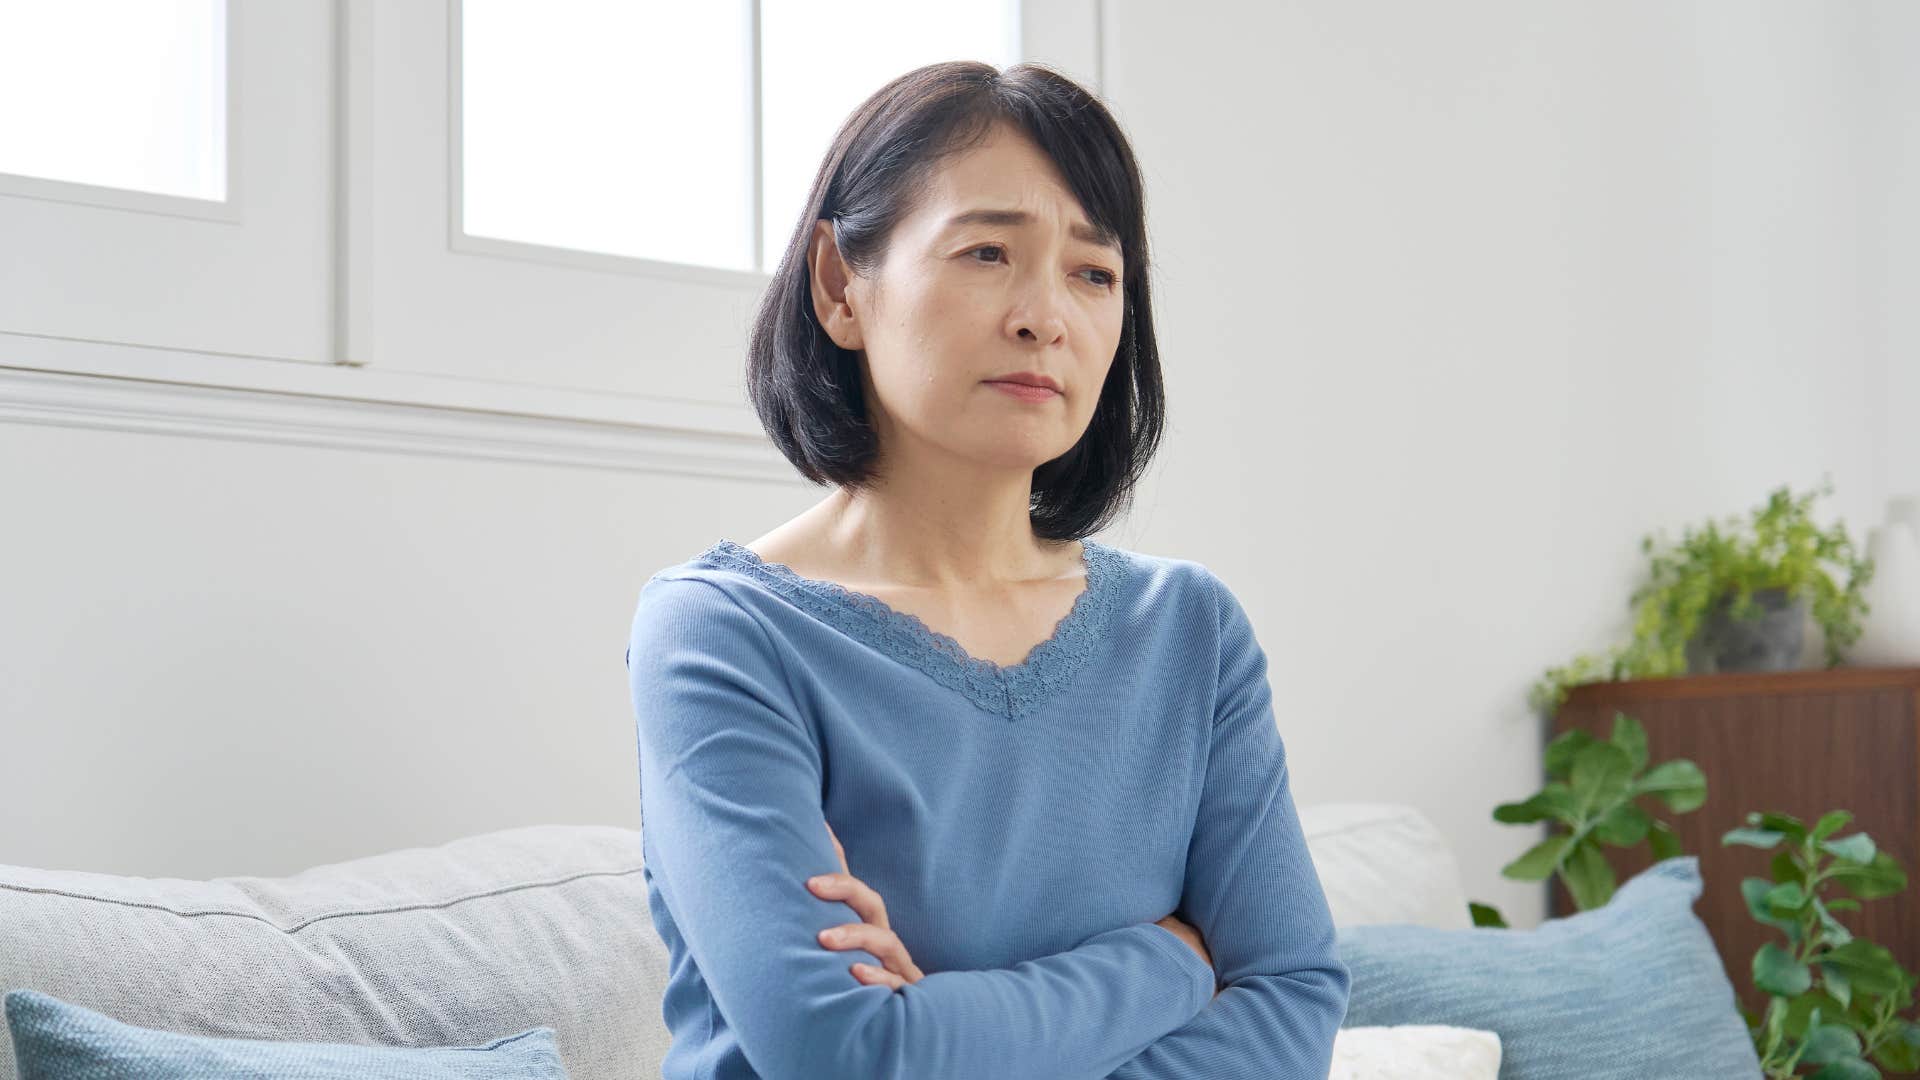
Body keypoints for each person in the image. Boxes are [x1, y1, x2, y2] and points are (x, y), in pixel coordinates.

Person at [626, 60, 1350, 1080]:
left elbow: (1293, 1000)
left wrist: (950, 1026)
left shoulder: (1190, 631)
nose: (1044, 316)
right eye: (985, 252)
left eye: (1094, 273)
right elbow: (848, 1053)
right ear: (841, 285)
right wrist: (1172, 958)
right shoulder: (723, 634)